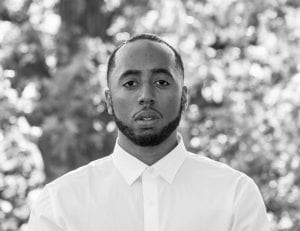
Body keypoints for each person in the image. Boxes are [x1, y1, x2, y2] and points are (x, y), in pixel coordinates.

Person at [27, 34, 270, 231]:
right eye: (130, 83)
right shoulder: (61, 204)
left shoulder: (234, 194)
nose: (146, 96)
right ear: (109, 101)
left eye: (161, 82)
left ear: (184, 97)